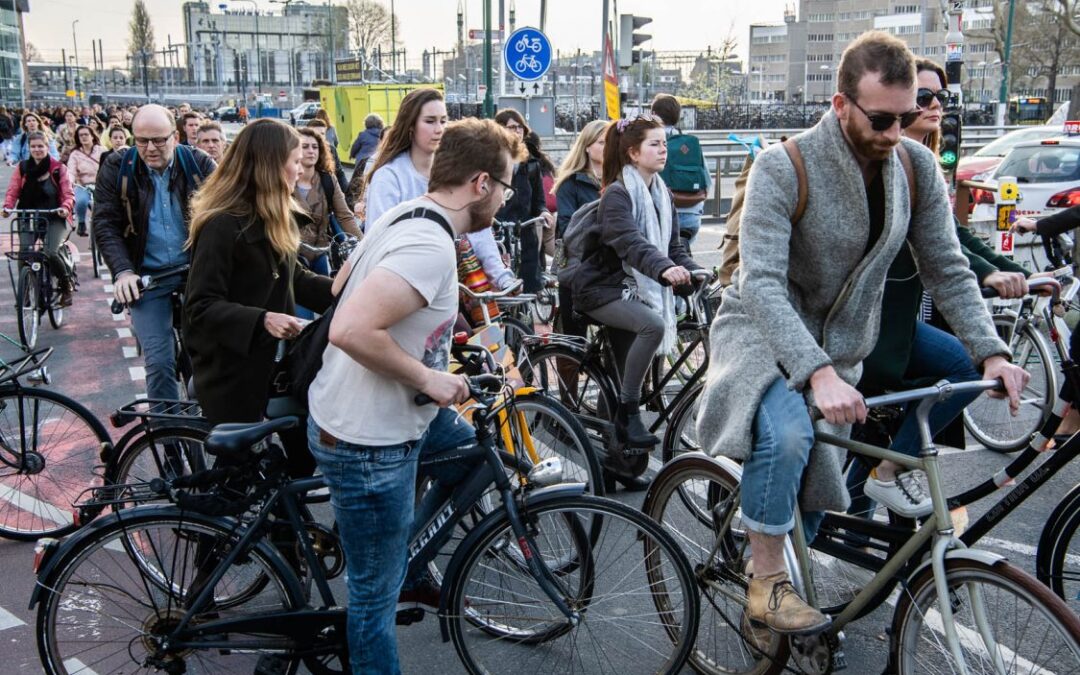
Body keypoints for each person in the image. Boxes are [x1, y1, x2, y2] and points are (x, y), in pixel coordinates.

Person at [694, 31, 1027, 636]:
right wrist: (816, 372)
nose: (895, 132)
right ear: (841, 104)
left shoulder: (915, 165)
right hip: (763, 333)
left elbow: (947, 268)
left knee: (825, 477)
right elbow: (760, 282)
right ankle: (766, 582)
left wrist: (991, 352)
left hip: (843, 341)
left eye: (905, 117)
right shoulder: (783, 165)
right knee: (793, 435)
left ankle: (789, 560)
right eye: (880, 118)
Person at [306, 117, 522, 674]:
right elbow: (349, 328)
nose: (505, 198)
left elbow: (339, 283)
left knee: (475, 458)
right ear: (480, 183)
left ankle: (410, 557)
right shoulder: (428, 242)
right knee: (374, 601)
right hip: (369, 439)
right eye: (505, 186)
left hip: (385, 417)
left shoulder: (408, 214)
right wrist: (429, 377)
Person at [850, 57, 1049, 519]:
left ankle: (875, 501)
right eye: (924, 96)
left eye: (942, 95)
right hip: (870, 319)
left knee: (893, 420)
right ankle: (861, 500)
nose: (936, 104)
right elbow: (946, 249)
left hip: (909, 314)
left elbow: (951, 241)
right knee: (855, 431)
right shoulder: (873, 163)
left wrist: (1002, 269)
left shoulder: (926, 162)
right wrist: (990, 273)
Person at [184, 120, 333, 478]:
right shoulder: (222, 224)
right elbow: (199, 305)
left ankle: (285, 530)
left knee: (301, 456)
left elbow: (295, 277)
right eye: (295, 161)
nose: (300, 169)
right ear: (270, 164)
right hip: (234, 369)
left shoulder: (276, 212)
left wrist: (348, 289)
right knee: (236, 477)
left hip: (274, 366)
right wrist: (262, 319)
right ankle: (213, 531)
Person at [572, 115, 701, 482]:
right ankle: (630, 412)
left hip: (634, 286)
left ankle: (620, 462)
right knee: (652, 325)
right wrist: (663, 270)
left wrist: (694, 270)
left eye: (664, 143)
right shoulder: (617, 193)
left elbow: (675, 246)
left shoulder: (661, 192)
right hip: (602, 288)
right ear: (632, 152)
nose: (664, 150)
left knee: (617, 373)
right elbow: (629, 242)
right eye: (655, 145)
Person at [94, 104, 218, 404]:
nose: (150, 148)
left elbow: (226, 217)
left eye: (159, 140)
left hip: (195, 274)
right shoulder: (117, 167)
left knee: (211, 356)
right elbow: (105, 222)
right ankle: (168, 435)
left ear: (175, 136)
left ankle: (212, 423)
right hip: (147, 278)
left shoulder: (199, 163)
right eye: (141, 140)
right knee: (159, 362)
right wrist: (123, 271)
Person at [2, 132, 76, 306]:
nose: (37, 149)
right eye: (33, 146)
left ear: (47, 146)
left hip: (54, 216)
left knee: (50, 251)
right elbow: (13, 191)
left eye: (40, 146)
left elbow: (68, 193)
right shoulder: (22, 167)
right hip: (28, 214)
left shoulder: (58, 168)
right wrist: (7, 207)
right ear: (29, 148)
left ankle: (66, 285)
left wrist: (65, 207)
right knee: (24, 253)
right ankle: (26, 292)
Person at [552, 118, 606, 338]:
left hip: (610, 269)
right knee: (573, 339)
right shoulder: (571, 182)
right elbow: (566, 228)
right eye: (602, 142)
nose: (608, 148)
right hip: (577, 269)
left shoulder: (620, 179)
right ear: (587, 145)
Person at [363, 88, 447, 228]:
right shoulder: (388, 177)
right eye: (430, 121)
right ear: (411, 125)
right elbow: (379, 239)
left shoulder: (452, 171)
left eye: (443, 121)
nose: (439, 129)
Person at [492, 109, 554, 293]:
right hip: (498, 228)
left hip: (525, 228)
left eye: (520, 127)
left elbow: (538, 200)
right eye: (512, 127)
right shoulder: (490, 161)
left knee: (528, 281)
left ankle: (525, 316)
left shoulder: (532, 163)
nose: (517, 131)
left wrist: (543, 211)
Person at [293, 127, 361, 278]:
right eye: (305, 146)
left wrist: (364, 245)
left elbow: (344, 216)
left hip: (321, 252)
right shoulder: (285, 180)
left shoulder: (327, 179)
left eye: (315, 146)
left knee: (326, 295)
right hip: (292, 256)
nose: (311, 151)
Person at [650, 93, 712, 246]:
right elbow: (707, 182)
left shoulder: (650, 142)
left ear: (653, 115)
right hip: (692, 215)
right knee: (682, 259)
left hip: (662, 215)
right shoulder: (689, 144)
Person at [65, 124, 104, 237]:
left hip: (101, 184)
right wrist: (70, 181)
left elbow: (107, 165)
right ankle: (81, 222)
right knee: (81, 201)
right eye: (80, 135)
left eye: (86, 134)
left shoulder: (101, 150)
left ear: (92, 136)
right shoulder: (75, 154)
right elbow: (71, 171)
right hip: (83, 184)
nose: (84, 137)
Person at [306, 118, 349, 197]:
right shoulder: (301, 151)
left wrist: (346, 192)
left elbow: (339, 172)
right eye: (315, 133)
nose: (319, 137)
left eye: (322, 133)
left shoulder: (331, 149)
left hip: (329, 191)